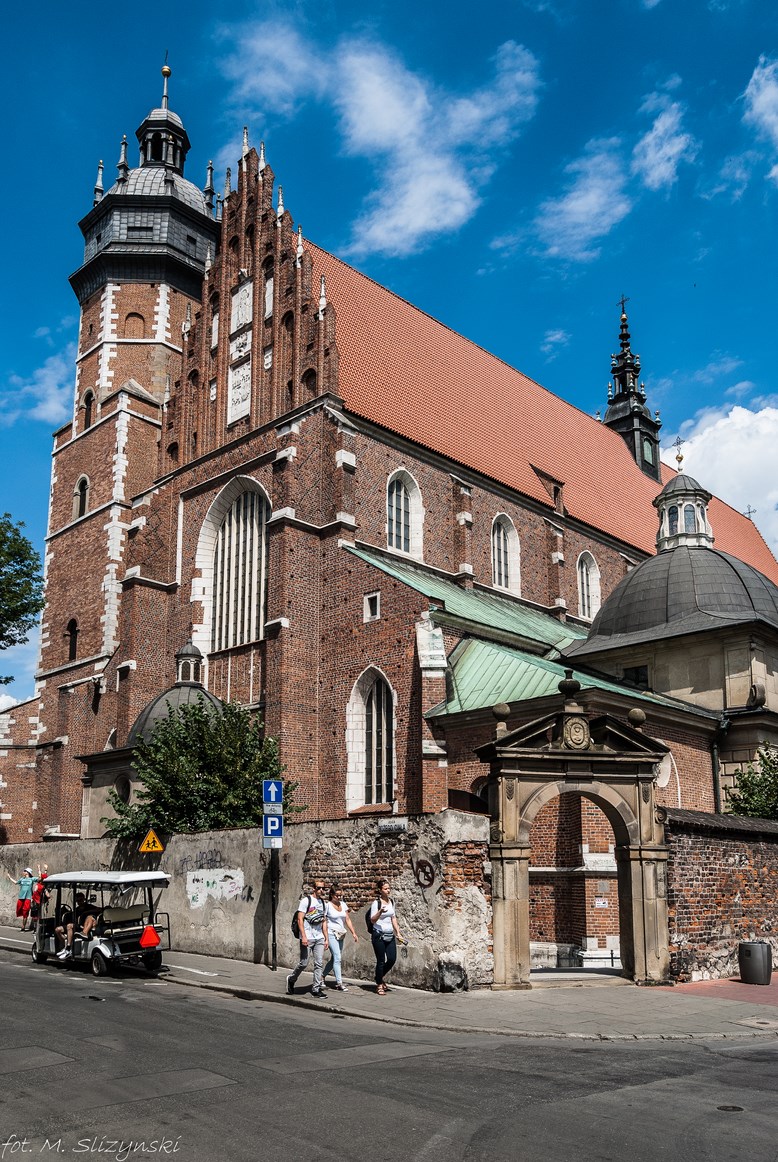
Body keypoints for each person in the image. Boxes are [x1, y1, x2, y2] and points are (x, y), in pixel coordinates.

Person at [286, 880, 329, 998]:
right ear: (314, 888)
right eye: (319, 888)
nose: (321, 890)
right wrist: (304, 936)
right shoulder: (306, 901)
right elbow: (300, 919)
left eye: (323, 888)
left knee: (319, 963)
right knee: (304, 963)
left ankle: (316, 989)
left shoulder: (324, 904)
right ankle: (292, 978)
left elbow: (324, 921)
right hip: (308, 936)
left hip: (319, 937)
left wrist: (326, 938)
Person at [369, 878, 404, 995]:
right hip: (378, 935)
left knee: (392, 959)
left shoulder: (391, 902)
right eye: (385, 889)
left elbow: (393, 917)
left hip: (389, 934)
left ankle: (378, 977)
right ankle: (379, 984)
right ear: (380, 890)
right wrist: (380, 912)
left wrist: (398, 932)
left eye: (389, 888)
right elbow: (372, 920)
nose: (388, 891)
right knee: (381, 961)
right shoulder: (376, 903)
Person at [323, 884, 359, 992]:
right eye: (337, 895)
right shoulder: (327, 906)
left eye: (340, 895)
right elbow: (324, 921)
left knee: (335, 958)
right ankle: (339, 983)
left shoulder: (343, 904)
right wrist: (325, 937)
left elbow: (347, 919)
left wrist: (353, 933)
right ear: (332, 895)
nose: (339, 897)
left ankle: (321, 976)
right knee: (337, 957)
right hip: (331, 933)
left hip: (341, 934)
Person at [56, 892, 102, 959]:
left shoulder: (89, 906)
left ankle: (68, 949)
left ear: (84, 899)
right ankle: (66, 947)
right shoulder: (76, 909)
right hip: (78, 925)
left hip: (84, 927)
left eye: (80, 900)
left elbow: (99, 909)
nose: (79, 902)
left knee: (70, 926)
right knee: (58, 929)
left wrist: (87, 912)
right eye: (77, 901)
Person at [5, 866, 39, 931]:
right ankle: (23, 923)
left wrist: (39, 869)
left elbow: (40, 879)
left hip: (28, 897)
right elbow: (16, 882)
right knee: (18, 909)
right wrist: (10, 877)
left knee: (25, 912)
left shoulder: (32, 879)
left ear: (27, 872)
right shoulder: (22, 879)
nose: (23, 872)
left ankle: (23, 926)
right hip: (21, 897)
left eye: (24, 871)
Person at [29, 864, 50, 933]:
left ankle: (35, 929)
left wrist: (32, 900)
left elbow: (34, 893)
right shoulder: (44, 887)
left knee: (35, 915)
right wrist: (44, 869)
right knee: (39, 915)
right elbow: (48, 895)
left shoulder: (38, 886)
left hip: (36, 901)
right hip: (40, 902)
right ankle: (38, 928)